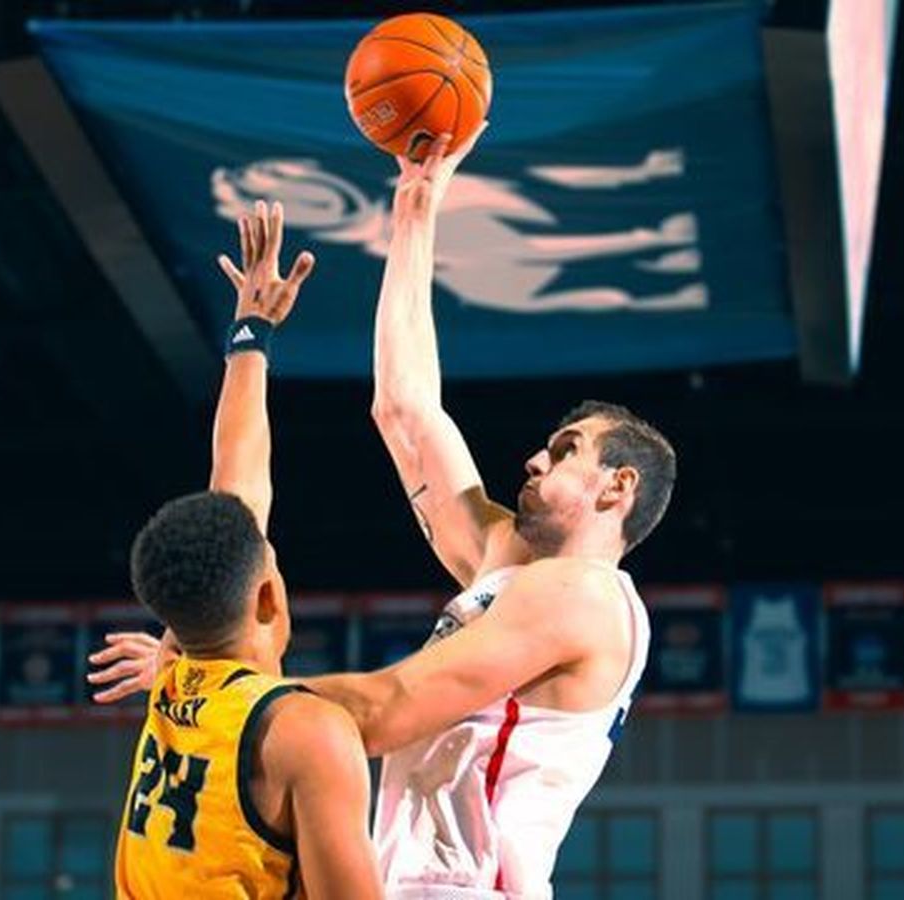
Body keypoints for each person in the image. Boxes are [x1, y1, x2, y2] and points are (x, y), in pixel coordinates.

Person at [94, 129, 677, 900]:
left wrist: (207, 682)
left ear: (617, 487)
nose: (535, 460)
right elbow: (404, 408)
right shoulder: (510, 564)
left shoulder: (586, 595)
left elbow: (386, 709)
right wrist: (416, 203)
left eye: (566, 451)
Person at [107, 200, 381, 900]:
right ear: (266, 597)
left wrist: (251, 334)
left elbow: (237, 482)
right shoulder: (306, 733)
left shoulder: (173, 674)